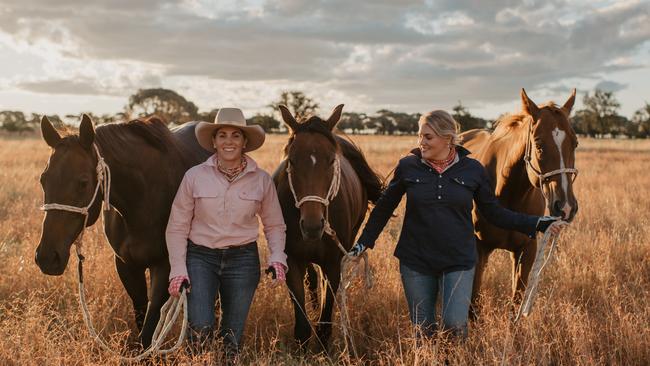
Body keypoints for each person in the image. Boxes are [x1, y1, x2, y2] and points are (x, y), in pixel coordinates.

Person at [347, 110, 566, 339]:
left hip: (458, 260)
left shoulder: (472, 170)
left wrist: (539, 223)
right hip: (415, 260)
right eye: (419, 136)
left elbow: (494, 213)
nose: (421, 142)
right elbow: (383, 208)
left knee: (455, 326)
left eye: (428, 137)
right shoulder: (408, 167)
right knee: (424, 330)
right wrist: (362, 244)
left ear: (448, 138)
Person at [165, 108, 288, 357]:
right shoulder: (194, 177)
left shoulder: (262, 180)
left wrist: (277, 257)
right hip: (200, 258)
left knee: (232, 335)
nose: (228, 141)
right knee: (200, 327)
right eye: (222, 135)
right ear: (213, 141)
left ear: (244, 143)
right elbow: (177, 225)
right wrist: (178, 268)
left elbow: (274, 224)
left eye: (235, 136)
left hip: (243, 261)